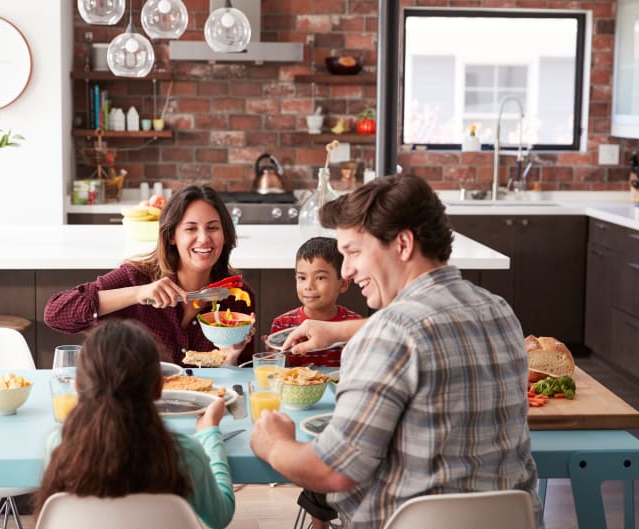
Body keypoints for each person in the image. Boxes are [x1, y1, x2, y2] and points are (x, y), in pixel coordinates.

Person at [250, 174, 543, 529]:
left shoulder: (389, 331)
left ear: (403, 245)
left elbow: (332, 472)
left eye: (353, 252)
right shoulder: (499, 310)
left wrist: (274, 444)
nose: (347, 270)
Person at [33, 319, 235, 529]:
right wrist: (210, 431)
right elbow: (220, 517)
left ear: (77, 387)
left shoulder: (59, 444)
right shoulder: (185, 453)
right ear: (159, 388)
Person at [44, 184, 255, 366]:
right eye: (190, 229)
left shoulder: (238, 297)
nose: (204, 238)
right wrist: (138, 294)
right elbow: (56, 314)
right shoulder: (137, 278)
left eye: (213, 228)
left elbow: (243, 378)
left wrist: (231, 359)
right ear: (172, 235)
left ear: (225, 234)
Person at [269, 236, 363, 368]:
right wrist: (276, 357)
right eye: (302, 277)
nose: (309, 286)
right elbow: (281, 372)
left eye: (320, 278)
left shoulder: (354, 325)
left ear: (342, 284)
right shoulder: (282, 324)